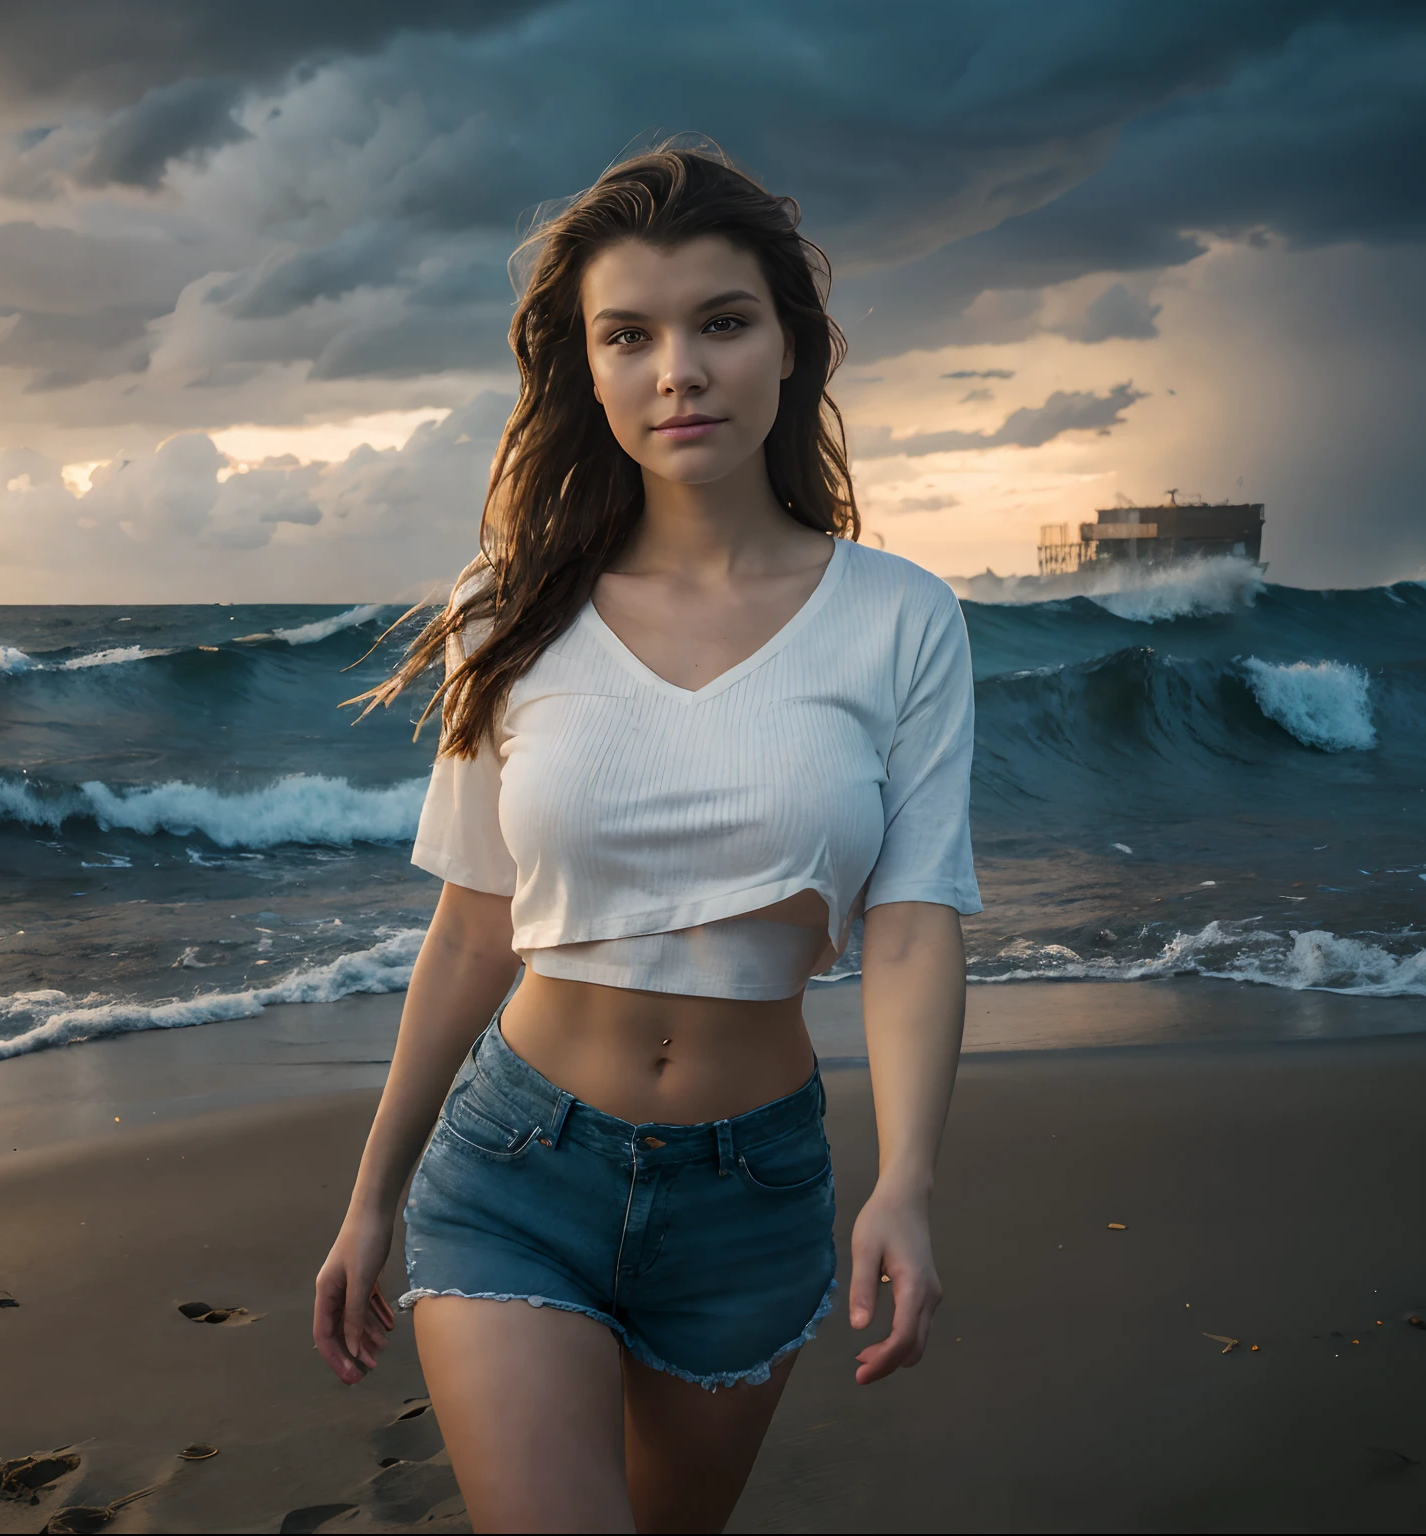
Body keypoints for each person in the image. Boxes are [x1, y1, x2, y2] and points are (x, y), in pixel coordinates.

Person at [314, 144, 980, 1534]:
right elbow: (473, 923)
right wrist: (369, 1198)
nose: (678, 368)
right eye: (630, 335)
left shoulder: (902, 619)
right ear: (590, 370)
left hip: (756, 1193)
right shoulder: (509, 611)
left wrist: (905, 1183)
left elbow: (914, 921)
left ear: (789, 348)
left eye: (721, 322)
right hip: (515, 1172)